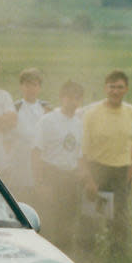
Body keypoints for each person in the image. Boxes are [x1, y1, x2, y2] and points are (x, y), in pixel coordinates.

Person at [81, 69, 132, 254]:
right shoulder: (92, 113)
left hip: (121, 173)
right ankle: (87, 258)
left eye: (119, 87)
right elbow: (83, 150)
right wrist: (89, 179)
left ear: (126, 89)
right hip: (97, 170)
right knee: (91, 217)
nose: (115, 91)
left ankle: (116, 258)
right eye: (112, 87)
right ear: (105, 89)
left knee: (119, 219)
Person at [32, 80, 84, 249]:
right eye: (69, 97)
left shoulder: (79, 124)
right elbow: (36, 153)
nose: (73, 102)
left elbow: (79, 156)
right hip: (51, 175)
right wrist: (40, 183)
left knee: (67, 222)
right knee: (49, 221)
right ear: (62, 97)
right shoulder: (47, 121)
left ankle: (66, 255)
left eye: (77, 98)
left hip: (70, 178)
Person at [11, 67, 52, 196]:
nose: (31, 89)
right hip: (20, 160)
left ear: (39, 88)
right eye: (27, 85)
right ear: (21, 87)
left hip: (41, 159)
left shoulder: (46, 108)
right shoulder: (15, 108)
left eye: (34, 85)